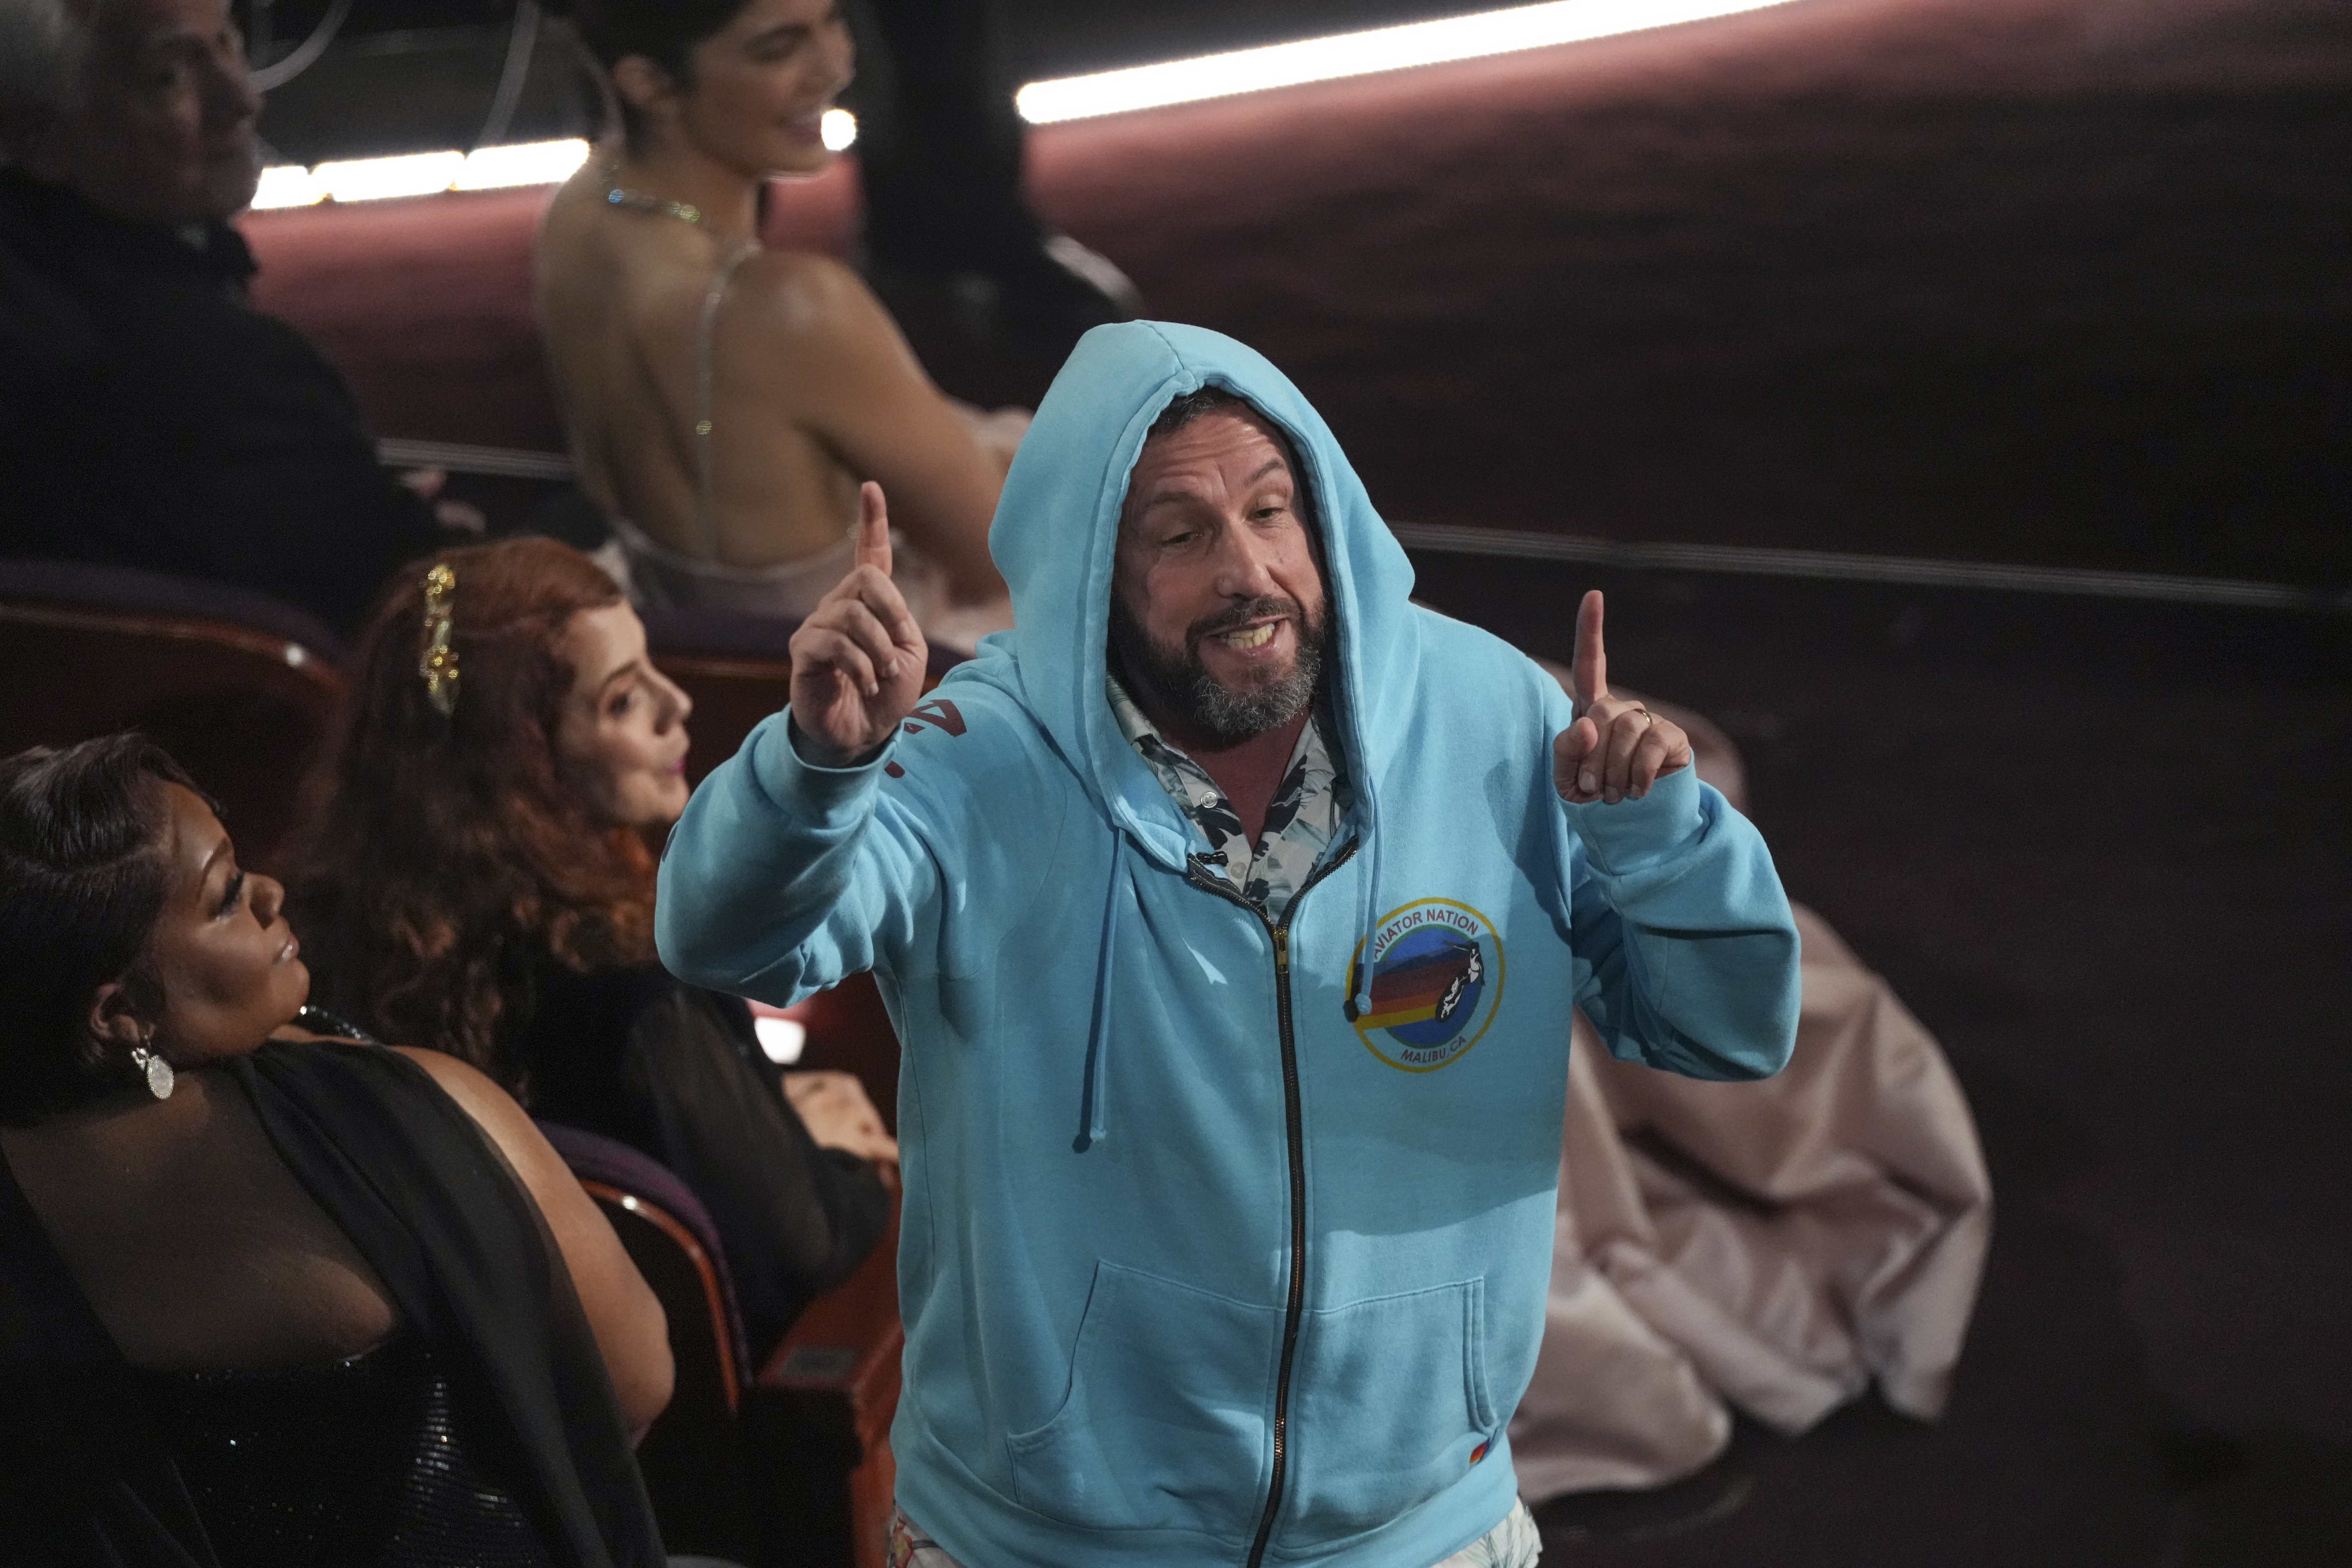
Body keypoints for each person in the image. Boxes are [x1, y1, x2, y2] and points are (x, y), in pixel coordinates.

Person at [656, 320, 1804, 1568]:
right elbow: (730, 944)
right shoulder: (974, 761)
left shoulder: (1495, 721)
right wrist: (818, 771)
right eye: (1180, 534)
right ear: (1095, 566)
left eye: (1273, 512)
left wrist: (1665, 844)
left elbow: (1728, 1029)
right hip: (1044, 1545)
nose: (1247, 571)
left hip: (1423, 1536)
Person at [0, 732, 671, 1568]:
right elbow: (637, 1378)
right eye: (227, 895)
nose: (273, 894)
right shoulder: (415, 1115)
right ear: (119, 1013)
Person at [290, 535, 893, 1361]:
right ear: (523, 762)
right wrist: (833, 1156)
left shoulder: (314, 935)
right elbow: (801, 1252)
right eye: (620, 701)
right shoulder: (641, 987)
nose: (675, 702)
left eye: (651, 667)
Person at [535, 0, 1016, 645]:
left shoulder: (579, 208)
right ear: (649, 83)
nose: (835, 67)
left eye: (834, 20)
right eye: (779, 49)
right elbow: (1006, 563)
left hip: (694, 644)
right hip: (867, 689)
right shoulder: (794, 311)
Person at [0, 0, 458, 637]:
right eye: (170, 76)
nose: (243, 100)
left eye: (229, 42)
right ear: (34, 135)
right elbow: (430, 618)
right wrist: (448, 555)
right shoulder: (240, 384)